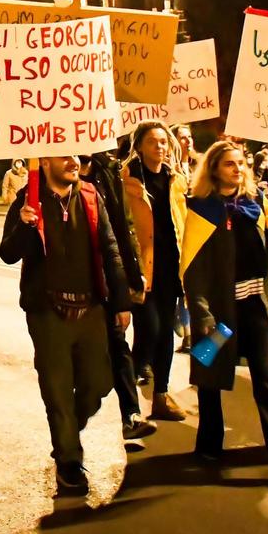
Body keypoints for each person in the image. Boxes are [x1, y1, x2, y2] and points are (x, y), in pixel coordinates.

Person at [180, 141, 268, 481]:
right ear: (214, 170)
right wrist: (202, 313)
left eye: (241, 163)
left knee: (264, 379)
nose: (238, 169)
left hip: (254, 307)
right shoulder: (201, 210)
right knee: (209, 377)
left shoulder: (255, 204)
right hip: (219, 312)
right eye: (229, 164)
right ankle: (208, 444)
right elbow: (193, 268)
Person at [1, 155, 132, 495]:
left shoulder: (90, 195)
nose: (74, 162)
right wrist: (25, 225)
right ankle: (69, 463)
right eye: (65, 156)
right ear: (44, 161)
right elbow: (9, 253)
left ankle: (67, 432)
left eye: (76, 155)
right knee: (58, 391)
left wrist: (120, 301)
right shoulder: (27, 200)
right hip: (48, 312)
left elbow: (110, 247)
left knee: (98, 383)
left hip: (90, 308)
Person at [79, 152, 156, 443]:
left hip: (110, 274)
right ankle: (72, 423)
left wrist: (132, 277)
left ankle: (132, 415)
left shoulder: (107, 170)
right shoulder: (55, 171)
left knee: (122, 343)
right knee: (93, 369)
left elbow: (121, 230)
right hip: (77, 283)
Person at [121, 121, 189, 422]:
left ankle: (161, 396)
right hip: (142, 269)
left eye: (163, 142)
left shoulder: (177, 180)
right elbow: (122, 226)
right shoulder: (127, 180)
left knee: (165, 336)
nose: (159, 147)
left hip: (171, 266)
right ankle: (128, 404)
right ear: (139, 146)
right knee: (150, 329)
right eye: (152, 142)